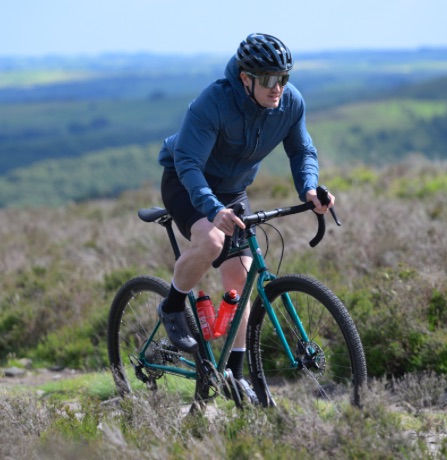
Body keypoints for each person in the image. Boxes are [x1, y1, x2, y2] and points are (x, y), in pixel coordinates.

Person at [156, 33, 335, 398]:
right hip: (187, 181)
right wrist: (212, 208)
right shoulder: (212, 103)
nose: (278, 88)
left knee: (241, 273)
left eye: (283, 78)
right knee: (210, 240)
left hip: (233, 189)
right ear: (245, 78)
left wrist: (310, 189)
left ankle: (235, 375)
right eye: (269, 79)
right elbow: (188, 163)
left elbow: (302, 151)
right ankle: (172, 306)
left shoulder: (290, 103)